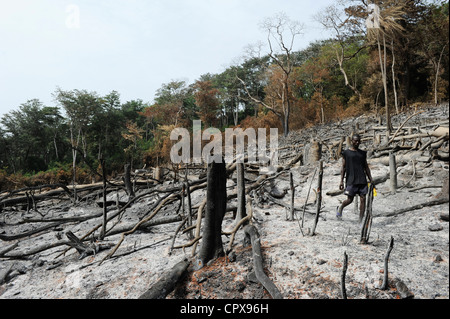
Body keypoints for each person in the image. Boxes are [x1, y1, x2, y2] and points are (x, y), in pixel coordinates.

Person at [337, 134, 374, 224]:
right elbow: (344, 167)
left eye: (358, 141)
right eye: (355, 141)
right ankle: (341, 207)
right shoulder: (346, 153)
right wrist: (341, 181)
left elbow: (366, 167)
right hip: (351, 179)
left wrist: (371, 179)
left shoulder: (362, 153)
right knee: (350, 199)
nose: (357, 142)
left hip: (362, 179)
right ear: (352, 141)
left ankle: (360, 220)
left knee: (363, 198)